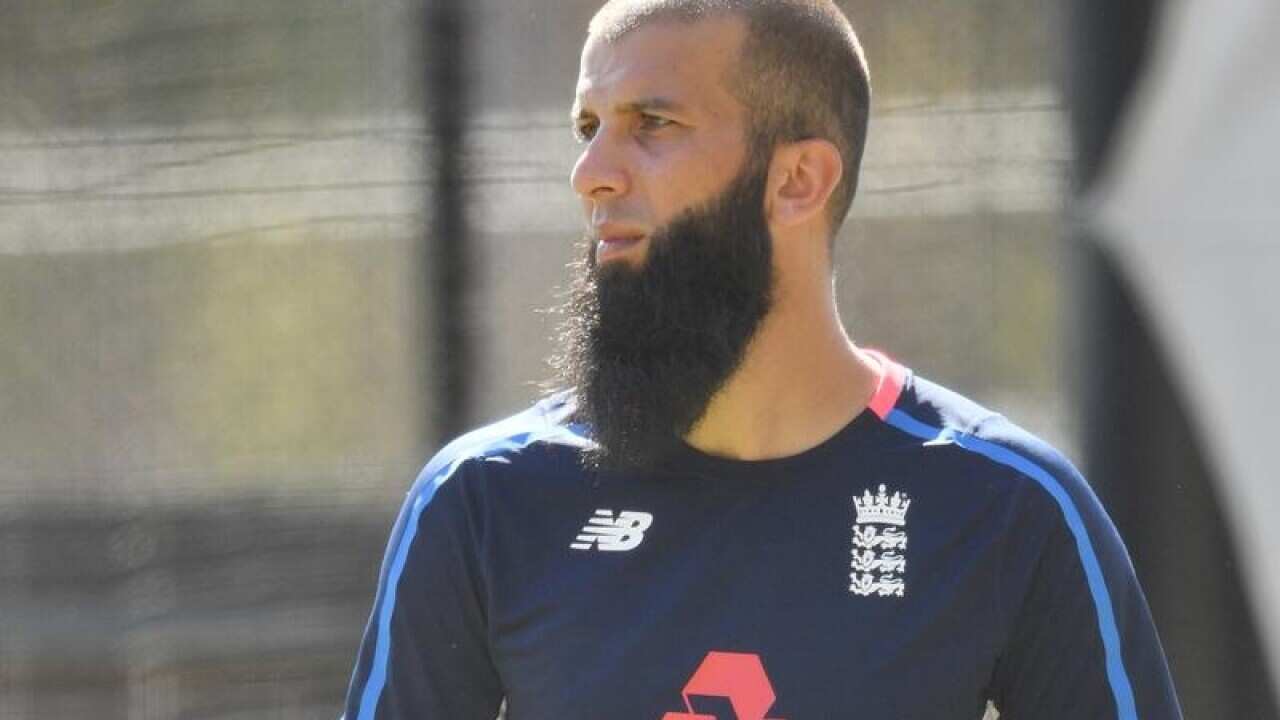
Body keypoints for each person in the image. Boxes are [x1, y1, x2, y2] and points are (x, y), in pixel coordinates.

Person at [342, 1, 1183, 717]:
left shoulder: (1010, 509)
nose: (590, 174)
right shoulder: (482, 501)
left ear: (798, 181)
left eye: (653, 124)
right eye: (589, 128)